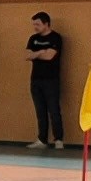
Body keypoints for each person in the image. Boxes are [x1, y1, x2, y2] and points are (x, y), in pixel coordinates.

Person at [24, 11, 65, 149]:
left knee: (54, 110)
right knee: (40, 111)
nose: (35, 27)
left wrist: (37, 54)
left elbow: (49, 56)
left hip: (51, 80)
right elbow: (27, 55)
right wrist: (41, 52)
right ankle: (42, 139)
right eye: (34, 24)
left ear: (46, 24)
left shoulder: (55, 38)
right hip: (36, 79)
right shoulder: (33, 38)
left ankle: (58, 139)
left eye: (38, 24)